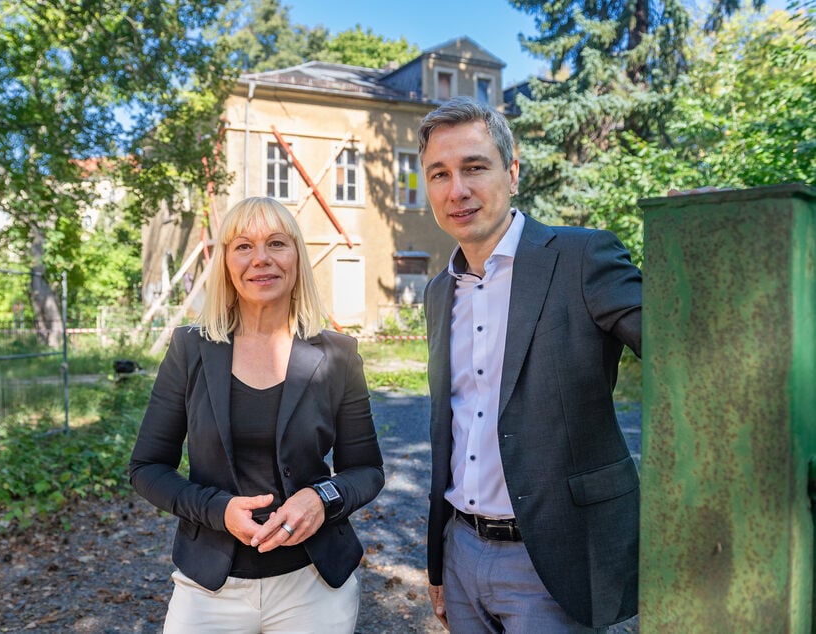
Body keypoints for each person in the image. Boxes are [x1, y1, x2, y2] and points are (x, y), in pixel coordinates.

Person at [418, 96, 642, 632]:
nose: (458, 190)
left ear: (512, 171)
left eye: (474, 167)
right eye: (439, 174)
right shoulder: (437, 292)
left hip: (552, 562)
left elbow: (687, 347)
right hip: (460, 552)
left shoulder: (583, 258)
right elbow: (453, 429)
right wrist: (438, 560)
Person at [129, 197, 384, 633]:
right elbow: (147, 467)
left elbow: (366, 470)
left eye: (276, 243)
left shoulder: (337, 356)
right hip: (209, 588)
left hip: (313, 586)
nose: (261, 259)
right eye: (243, 246)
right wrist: (218, 509)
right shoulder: (190, 349)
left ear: (297, 257)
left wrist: (321, 499)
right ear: (226, 262)